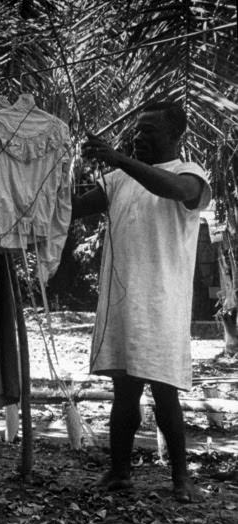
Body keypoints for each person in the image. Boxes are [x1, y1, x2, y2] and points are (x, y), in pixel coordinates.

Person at [73, 101, 211, 503]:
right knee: (125, 391)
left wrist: (118, 157)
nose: (138, 137)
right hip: (122, 301)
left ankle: (181, 477)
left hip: (162, 304)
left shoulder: (190, 175)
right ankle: (119, 472)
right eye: (136, 130)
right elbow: (72, 210)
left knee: (165, 391)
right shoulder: (119, 180)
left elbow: (172, 190)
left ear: (174, 135)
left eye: (148, 130)